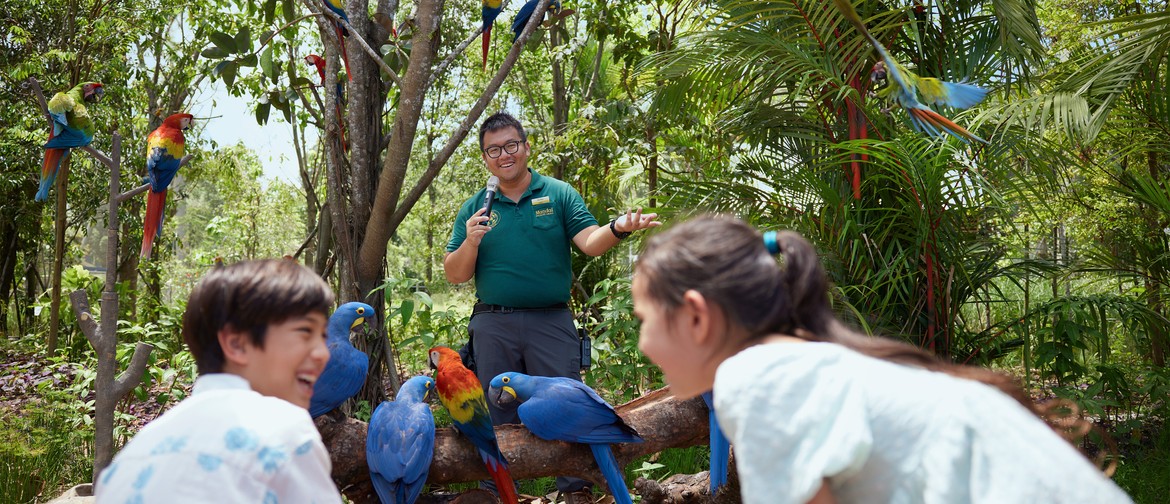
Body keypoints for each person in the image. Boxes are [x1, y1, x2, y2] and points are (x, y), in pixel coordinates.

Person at [632, 215, 1132, 504]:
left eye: (644, 319)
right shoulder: (814, 365)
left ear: (696, 317)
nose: (642, 344)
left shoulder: (756, 376)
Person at [444, 111, 659, 501]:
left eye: (511, 145)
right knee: (498, 413)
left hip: (552, 321)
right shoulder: (474, 207)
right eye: (493, 150)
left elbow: (589, 241)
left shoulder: (558, 193)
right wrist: (471, 241)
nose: (504, 155)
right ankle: (498, 491)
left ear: (526, 147)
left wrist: (618, 227)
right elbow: (455, 274)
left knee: (566, 405)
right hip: (494, 324)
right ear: (485, 158)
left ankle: (575, 490)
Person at [94, 259, 342, 503]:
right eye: (305, 332)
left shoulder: (131, 459)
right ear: (236, 343)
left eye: (322, 336)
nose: (323, 353)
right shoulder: (285, 433)